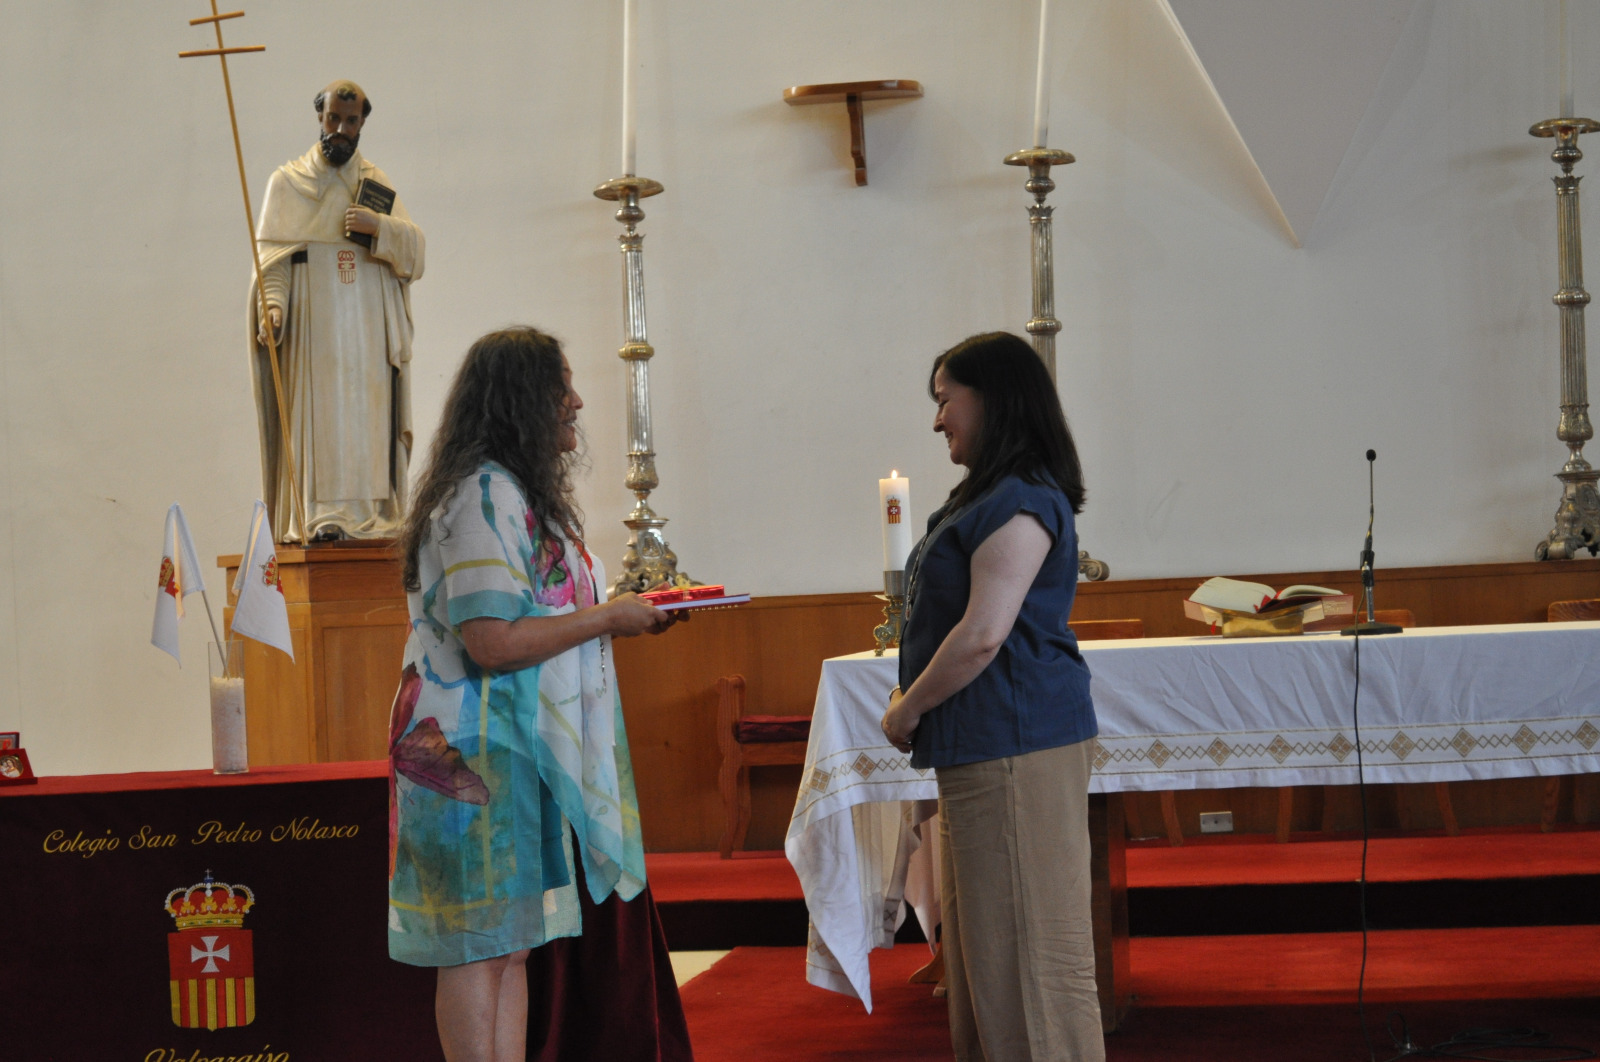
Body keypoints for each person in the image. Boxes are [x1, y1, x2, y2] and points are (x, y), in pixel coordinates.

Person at [388, 327, 693, 1062]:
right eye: (562, 387)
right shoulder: (480, 494)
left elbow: (538, 618)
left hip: (515, 745)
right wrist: (610, 617)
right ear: (521, 398)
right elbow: (491, 640)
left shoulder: (515, 493)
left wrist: (624, 612)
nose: (576, 402)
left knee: (514, 944)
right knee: (477, 944)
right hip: (465, 752)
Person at [880, 331, 1103, 1062]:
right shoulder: (988, 495)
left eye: (946, 400)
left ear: (994, 399)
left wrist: (909, 707)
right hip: (987, 744)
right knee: (987, 958)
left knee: (1029, 958)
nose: (938, 419)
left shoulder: (1020, 499)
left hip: (1017, 744)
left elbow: (982, 635)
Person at [250, 79, 424, 543]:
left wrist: (379, 226)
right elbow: (272, 261)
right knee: (320, 417)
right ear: (320, 117)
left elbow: (415, 253)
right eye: (333, 119)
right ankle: (318, 513)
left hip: (366, 324)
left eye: (351, 121)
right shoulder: (287, 183)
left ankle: (372, 514)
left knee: (365, 418)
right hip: (314, 325)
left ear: (362, 122)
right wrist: (273, 305)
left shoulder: (374, 182)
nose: (341, 130)